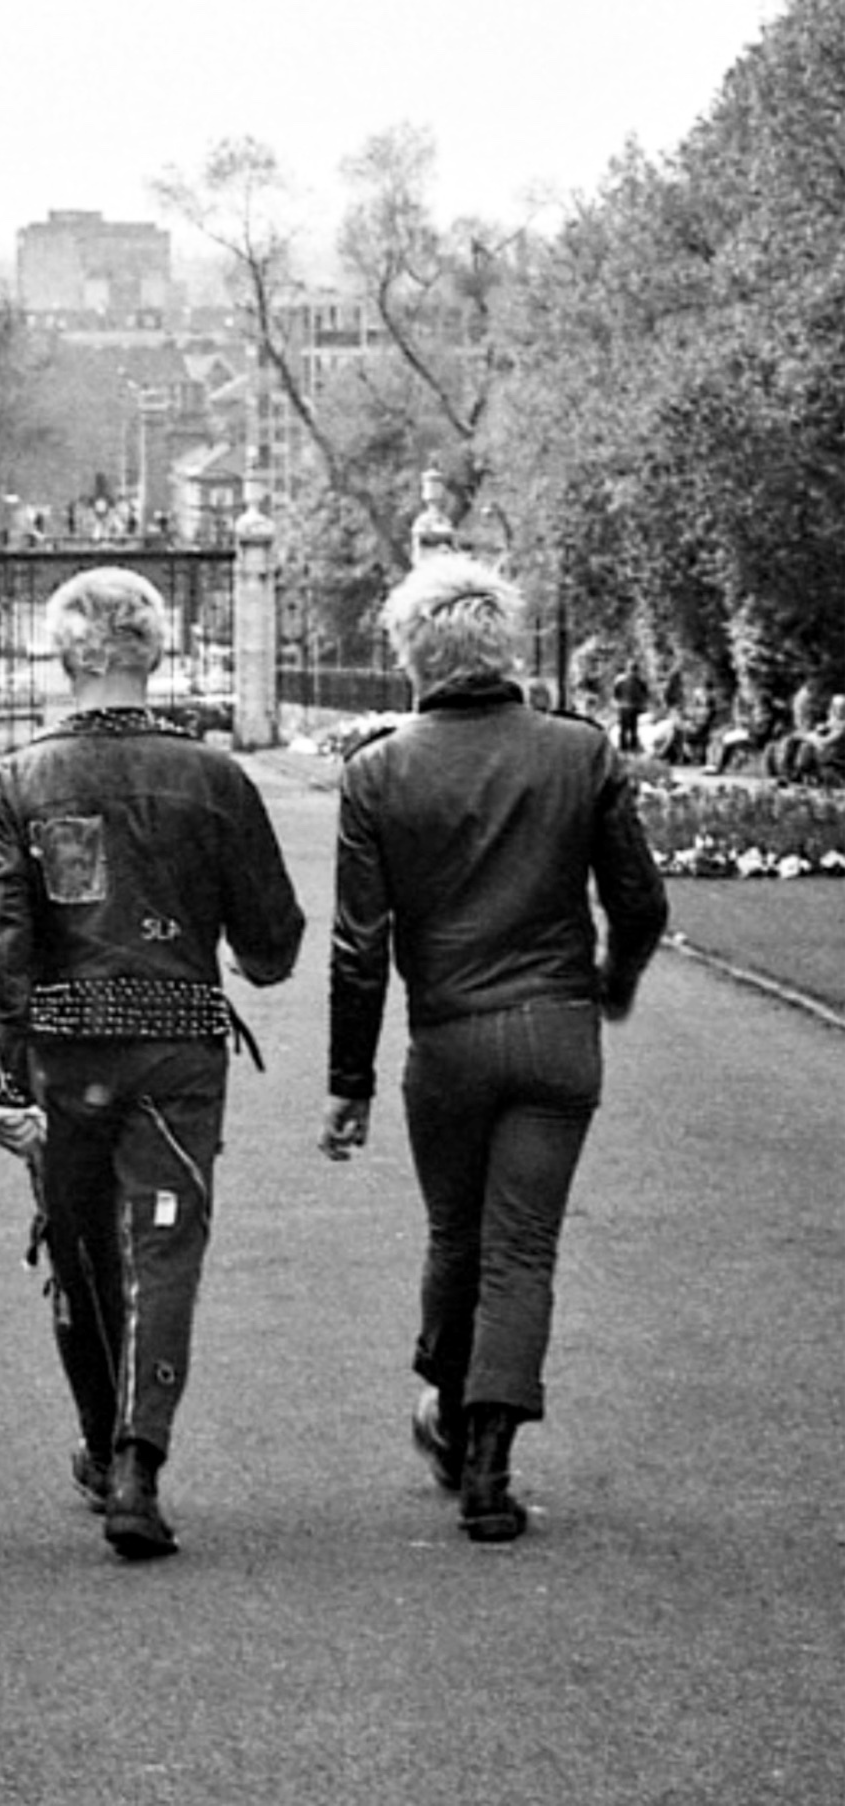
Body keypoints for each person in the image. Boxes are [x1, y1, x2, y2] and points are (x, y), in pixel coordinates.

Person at [321, 553, 667, 1543]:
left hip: (451, 1038)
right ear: (503, 646)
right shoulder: (580, 750)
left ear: (410, 656)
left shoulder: (379, 771)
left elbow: (359, 947)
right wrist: (616, 982)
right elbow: (638, 899)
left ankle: (444, 1395)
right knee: (523, 1248)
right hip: (558, 1029)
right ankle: (490, 1460)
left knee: (456, 1237)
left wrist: (348, 1084)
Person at [0, 567, 304, 1561]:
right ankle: (139, 1462)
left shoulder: (16, 782)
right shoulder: (214, 779)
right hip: (178, 1045)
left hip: (64, 1050)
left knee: (76, 1250)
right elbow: (273, 949)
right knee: (164, 1246)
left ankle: (95, 1437)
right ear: (156, 653)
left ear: (63, 658)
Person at [611, 662, 649, 753]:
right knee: (632, 729)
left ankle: (624, 749)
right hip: (632, 707)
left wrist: (619, 702)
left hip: (624, 707)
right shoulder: (639, 681)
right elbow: (645, 695)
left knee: (626, 729)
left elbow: (616, 694)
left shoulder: (621, 681)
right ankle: (631, 748)